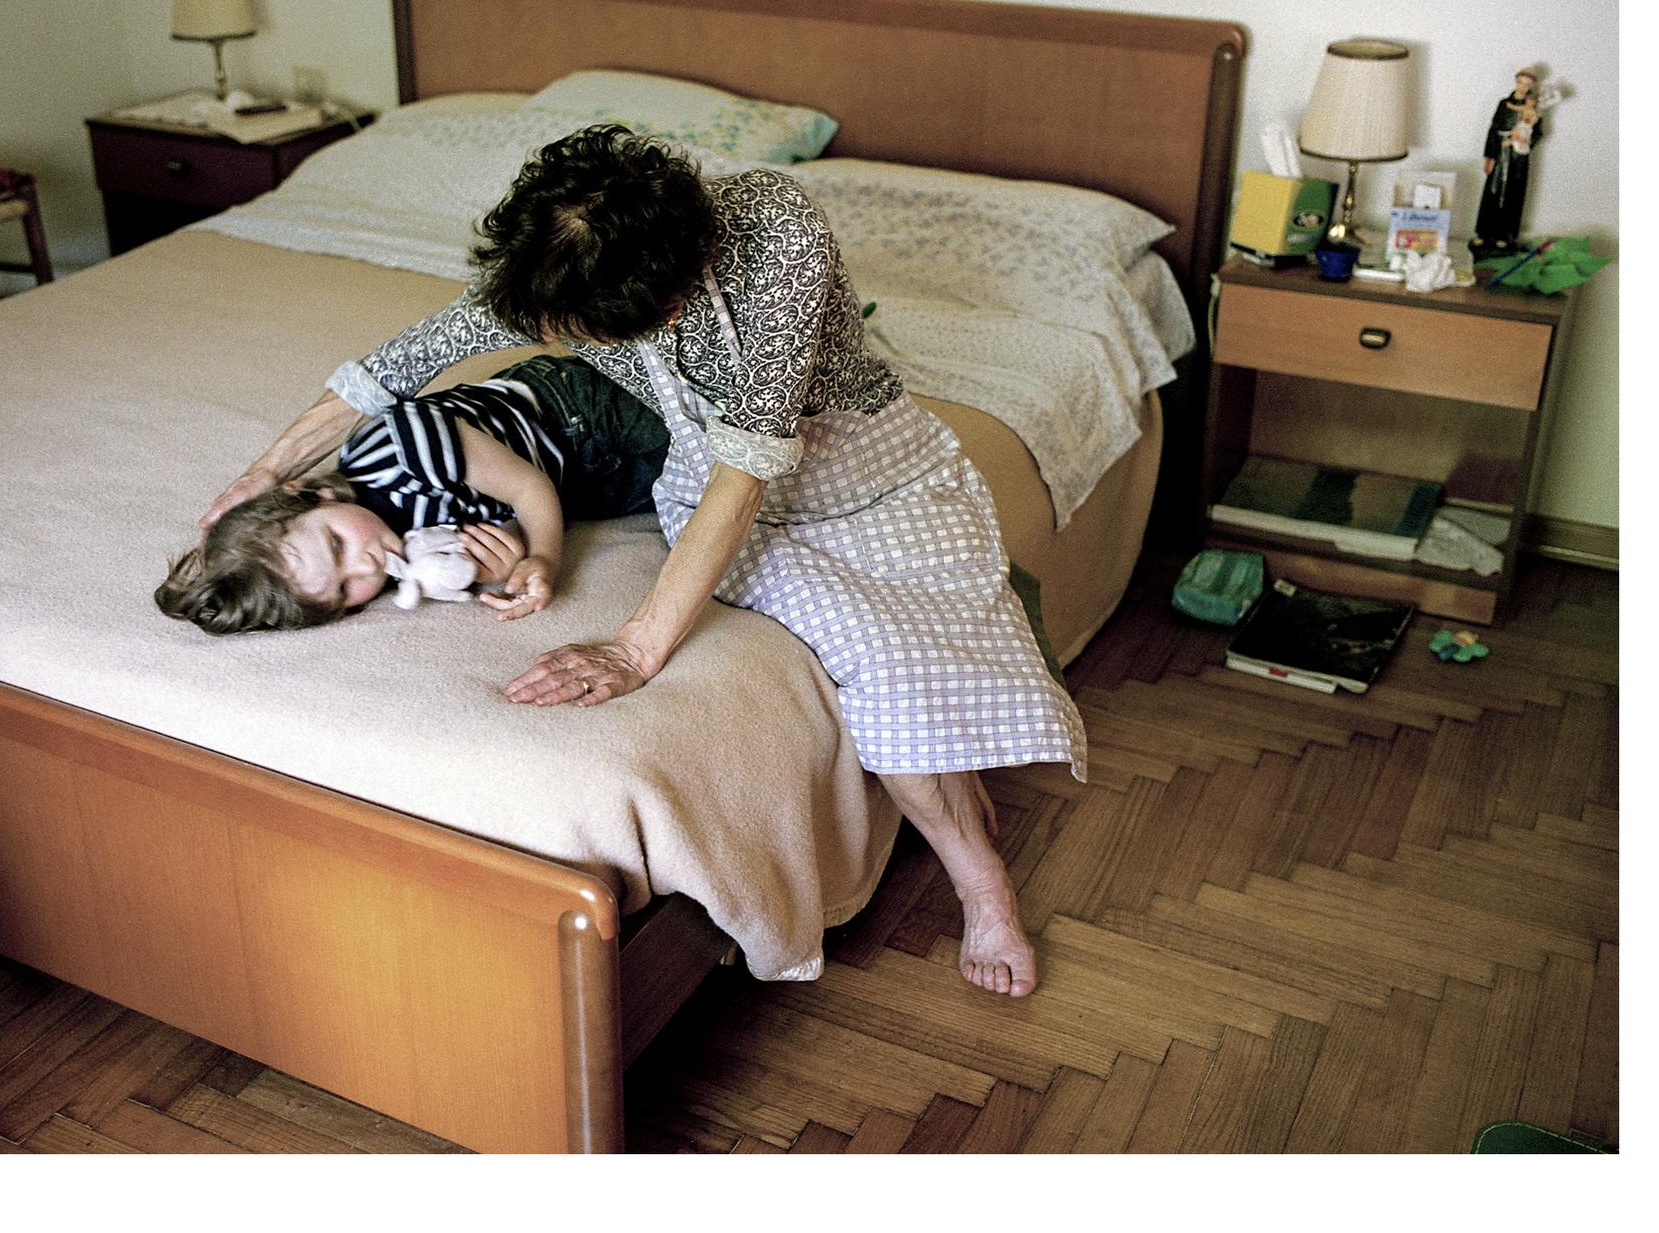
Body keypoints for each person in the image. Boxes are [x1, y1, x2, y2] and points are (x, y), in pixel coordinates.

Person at [202, 126, 1087, 998]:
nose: (562, 340)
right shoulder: (561, 259)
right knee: (878, 653)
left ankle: (973, 862)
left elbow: (747, 472)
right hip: (711, 488)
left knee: (933, 621)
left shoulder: (778, 236)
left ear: (662, 310)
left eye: (580, 336)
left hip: (859, 470)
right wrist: (266, 471)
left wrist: (633, 649)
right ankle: (978, 868)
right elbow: (400, 364)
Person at [165, 353, 668, 634]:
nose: (365, 567)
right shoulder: (402, 559)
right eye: (344, 591)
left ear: (312, 495)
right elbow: (500, 516)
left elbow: (526, 486)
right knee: (690, 496)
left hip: (570, 413)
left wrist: (543, 559)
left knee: (703, 431)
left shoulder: (399, 448)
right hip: (578, 487)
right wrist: (498, 559)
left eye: (338, 545)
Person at [1471, 68, 1544, 257]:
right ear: (1515, 82)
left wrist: (1525, 142)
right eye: (1520, 82)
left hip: (1517, 158)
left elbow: (1537, 132)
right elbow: (1493, 129)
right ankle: (1484, 233)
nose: (1523, 87)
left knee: (1512, 194)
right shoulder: (1504, 104)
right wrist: (1489, 155)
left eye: (1527, 84)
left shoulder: (1533, 108)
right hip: (1500, 152)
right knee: (1492, 192)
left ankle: (1505, 235)